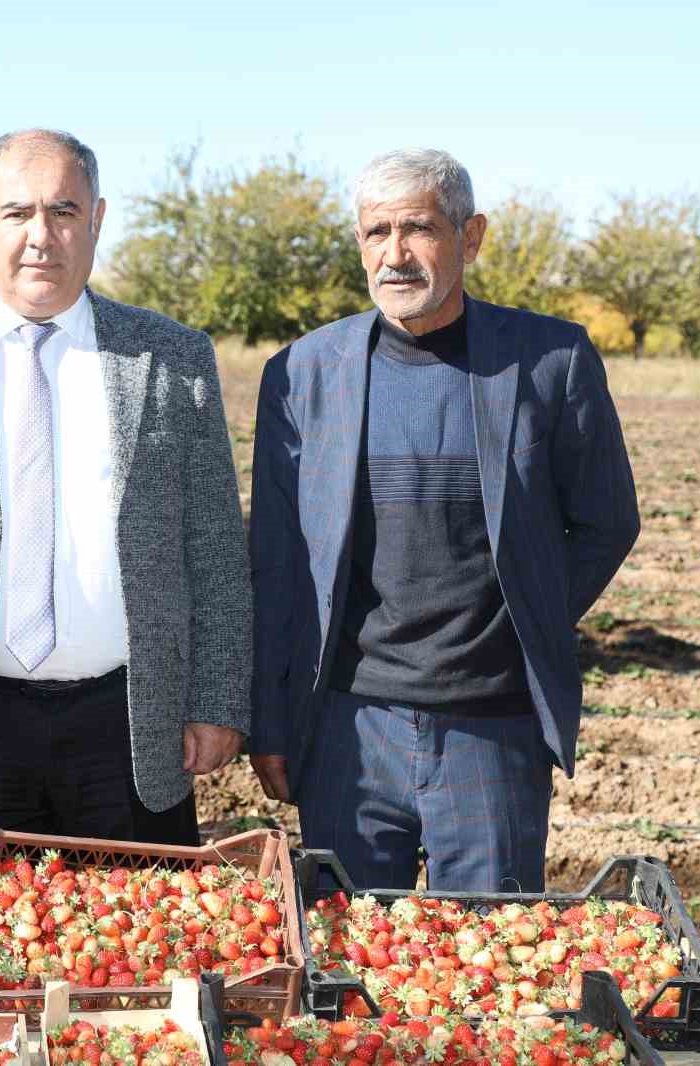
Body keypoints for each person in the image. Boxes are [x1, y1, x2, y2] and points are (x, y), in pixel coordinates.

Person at [0, 129, 251, 844]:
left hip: (129, 726)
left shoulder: (173, 356)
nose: (40, 237)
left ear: (96, 219)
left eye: (62, 212)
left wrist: (218, 697)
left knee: (141, 949)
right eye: (16, 213)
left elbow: (214, 543)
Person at [248, 148, 639, 891]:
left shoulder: (550, 360)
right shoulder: (302, 374)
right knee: (346, 962)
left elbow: (606, 522)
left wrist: (523, 616)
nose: (395, 254)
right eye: (376, 232)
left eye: (418, 228)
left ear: (471, 235)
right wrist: (271, 723)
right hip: (346, 728)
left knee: (491, 963)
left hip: (491, 729)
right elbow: (274, 561)